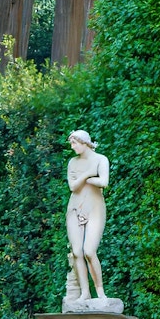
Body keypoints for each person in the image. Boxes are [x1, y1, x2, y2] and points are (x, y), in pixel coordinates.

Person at [66, 129, 109, 302]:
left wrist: (84, 179)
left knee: (89, 251)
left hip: (94, 206)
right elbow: (73, 187)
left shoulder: (101, 159)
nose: (72, 147)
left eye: (74, 143)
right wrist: (89, 174)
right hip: (75, 206)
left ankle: (100, 291)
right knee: (77, 252)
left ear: (84, 142)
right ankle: (85, 292)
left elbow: (104, 182)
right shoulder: (72, 163)